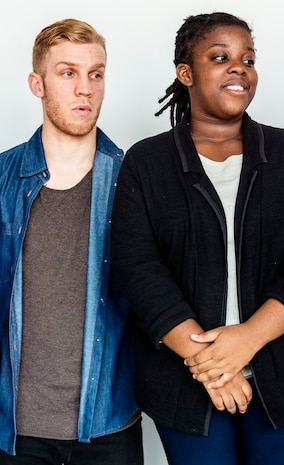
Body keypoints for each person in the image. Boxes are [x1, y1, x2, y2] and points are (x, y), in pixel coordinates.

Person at [109, 12, 284, 465]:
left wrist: (247, 340)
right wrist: (212, 366)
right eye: (221, 57)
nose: (239, 68)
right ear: (186, 73)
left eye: (248, 59)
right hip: (185, 385)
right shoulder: (147, 163)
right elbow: (138, 268)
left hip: (283, 382)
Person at [0, 18, 142, 465]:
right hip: (15, 431)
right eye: (68, 73)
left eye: (95, 74)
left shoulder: (134, 182)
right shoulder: (2, 180)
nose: (85, 89)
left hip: (108, 426)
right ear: (36, 83)